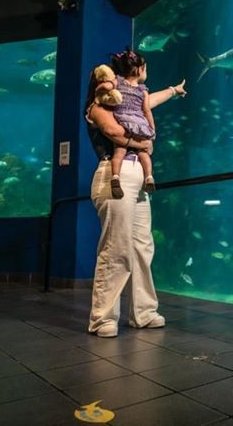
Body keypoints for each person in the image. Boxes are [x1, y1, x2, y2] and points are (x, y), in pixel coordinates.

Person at [84, 60, 186, 337]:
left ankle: (144, 311)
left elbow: (148, 101)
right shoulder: (97, 107)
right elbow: (113, 132)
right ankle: (103, 318)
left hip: (139, 176)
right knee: (115, 247)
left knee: (142, 245)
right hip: (113, 174)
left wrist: (173, 91)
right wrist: (142, 143)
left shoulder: (130, 102)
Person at [107, 49, 158, 197]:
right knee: (144, 153)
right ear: (140, 70)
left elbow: (108, 87)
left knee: (119, 151)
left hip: (122, 121)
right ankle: (149, 177)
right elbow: (147, 111)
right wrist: (152, 129)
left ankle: (115, 177)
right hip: (139, 124)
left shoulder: (118, 82)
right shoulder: (143, 91)